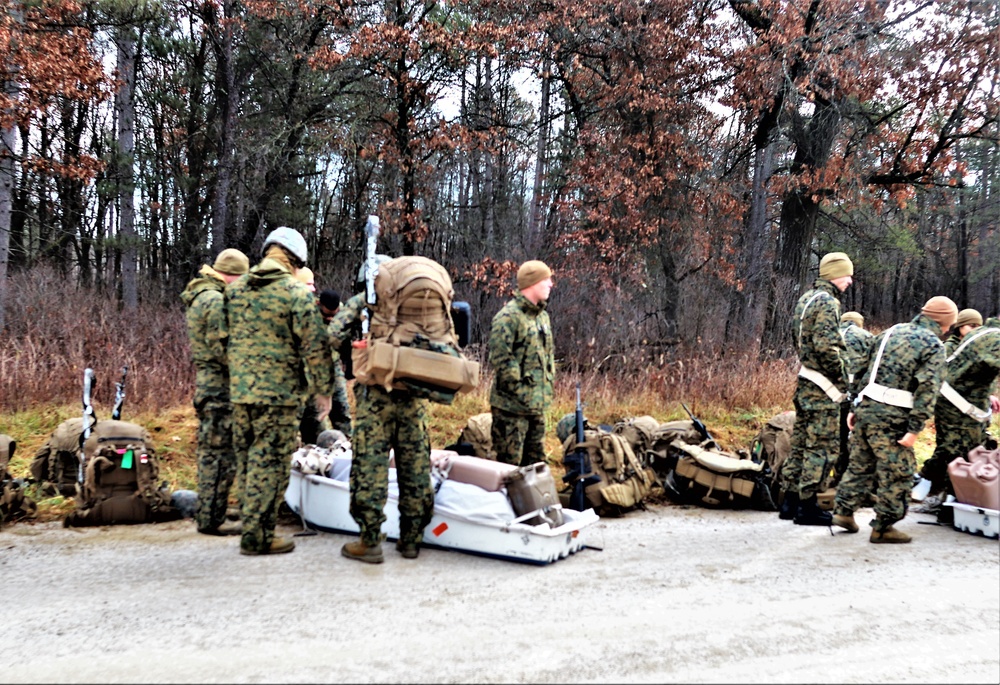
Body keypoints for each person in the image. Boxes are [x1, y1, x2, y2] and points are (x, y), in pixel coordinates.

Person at [224, 226, 332, 556]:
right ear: (295, 260)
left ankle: (251, 526)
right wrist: (323, 390)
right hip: (280, 397)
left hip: (241, 393)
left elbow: (223, 338)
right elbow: (314, 347)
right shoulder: (296, 294)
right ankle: (259, 536)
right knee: (270, 464)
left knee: (247, 460)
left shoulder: (236, 290)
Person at [831, 296, 957, 544]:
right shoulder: (932, 345)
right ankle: (883, 527)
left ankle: (843, 512)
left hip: (866, 408)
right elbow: (928, 389)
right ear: (945, 322)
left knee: (860, 465)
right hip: (894, 418)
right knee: (898, 472)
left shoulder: (890, 332)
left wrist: (855, 404)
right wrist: (914, 429)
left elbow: (865, 369)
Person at [341, 256, 441, 565]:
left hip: (375, 401)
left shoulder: (364, 305)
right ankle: (411, 541)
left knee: (370, 469)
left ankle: (370, 542)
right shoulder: (417, 310)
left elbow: (333, 334)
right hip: (413, 400)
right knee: (415, 469)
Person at [779, 252, 854, 526]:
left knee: (800, 444)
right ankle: (807, 507)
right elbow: (826, 347)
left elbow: (799, 339)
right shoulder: (828, 303)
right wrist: (843, 377)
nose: (850, 280)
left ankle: (789, 501)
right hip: (823, 388)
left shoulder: (805, 299)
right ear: (834, 274)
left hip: (806, 382)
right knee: (821, 447)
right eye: (847, 274)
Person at [180, 248, 249, 537]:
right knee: (220, 456)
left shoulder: (202, 295)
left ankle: (212, 512)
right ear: (232, 276)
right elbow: (224, 348)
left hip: (211, 385)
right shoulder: (214, 300)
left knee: (214, 453)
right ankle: (211, 519)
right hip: (220, 387)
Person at [914, 310, 1000, 523]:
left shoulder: (986, 333)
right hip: (957, 404)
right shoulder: (994, 338)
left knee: (962, 451)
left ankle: (949, 501)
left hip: (958, 402)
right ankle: (949, 504)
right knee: (961, 454)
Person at [488, 260, 555, 467]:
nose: (551, 284)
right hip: (512, 411)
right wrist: (519, 391)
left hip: (537, 408)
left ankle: (533, 501)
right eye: (546, 280)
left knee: (536, 466)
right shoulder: (508, 317)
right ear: (533, 283)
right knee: (509, 468)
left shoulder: (542, 317)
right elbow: (501, 359)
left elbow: (547, 357)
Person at [832, 311, 874, 487]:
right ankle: (855, 481)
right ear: (860, 323)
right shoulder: (868, 338)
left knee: (835, 437)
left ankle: (837, 475)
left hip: (830, 394)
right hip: (856, 396)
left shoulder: (830, 335)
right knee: (857, 438)